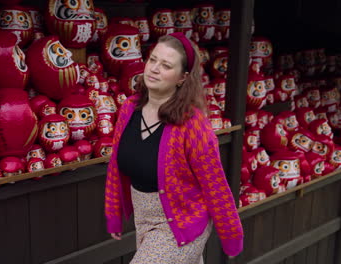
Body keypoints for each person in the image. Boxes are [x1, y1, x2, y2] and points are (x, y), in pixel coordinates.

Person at [104, 32, 244, 263]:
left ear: (182, 77)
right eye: (153, 60)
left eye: (166, 65)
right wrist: (113, 214)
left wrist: (232, 236)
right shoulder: (129, 109)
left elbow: (215, 184)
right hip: (144, 218)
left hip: (182, 222)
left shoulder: (192, 123)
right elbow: (115, 167)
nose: (155, 68)